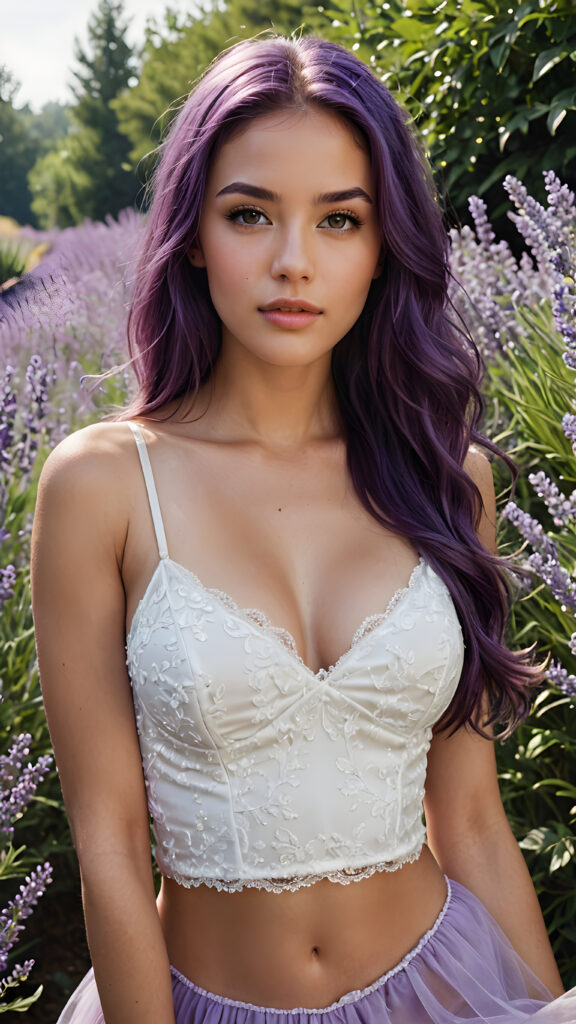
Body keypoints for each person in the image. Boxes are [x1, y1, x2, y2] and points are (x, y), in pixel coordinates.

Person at [31, 34, 576, 1024]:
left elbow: (470, 821)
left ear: (383, 244)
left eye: (339, 219)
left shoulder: (446, 478)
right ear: (193, 232)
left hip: (448, 989)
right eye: (250, 214)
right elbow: (108, 846)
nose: (293, 262)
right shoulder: (103, 486)